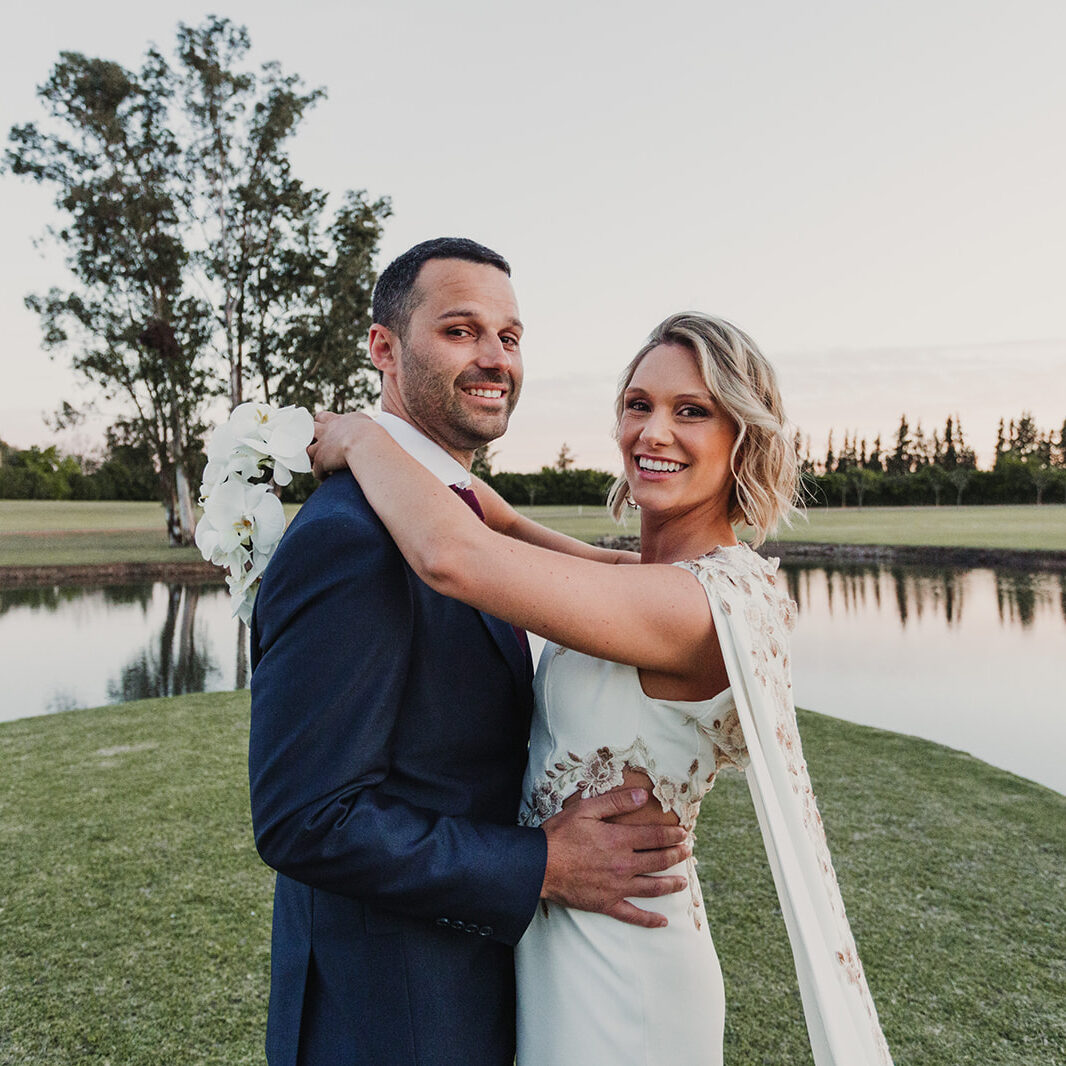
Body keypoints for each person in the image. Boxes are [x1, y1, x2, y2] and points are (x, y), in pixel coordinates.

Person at [310, 311, 895, 1065]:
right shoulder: (662, 581)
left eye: (692, 412)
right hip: (564, 931)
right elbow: (533, 541)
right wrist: (482, 499)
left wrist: (363, 436)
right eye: (638, 404)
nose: (653, 432)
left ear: (742, 438)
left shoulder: (690, 608)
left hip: (626, 967)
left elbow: (452, 559)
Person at [247, 238, 694, 1066]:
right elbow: (304, 817)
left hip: (510, 990)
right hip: (397, 1021)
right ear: (384, 347)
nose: (496, 359)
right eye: (461, 331)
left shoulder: (467, 519)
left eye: (511, 337)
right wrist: (540, 864)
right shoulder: (351, 536)